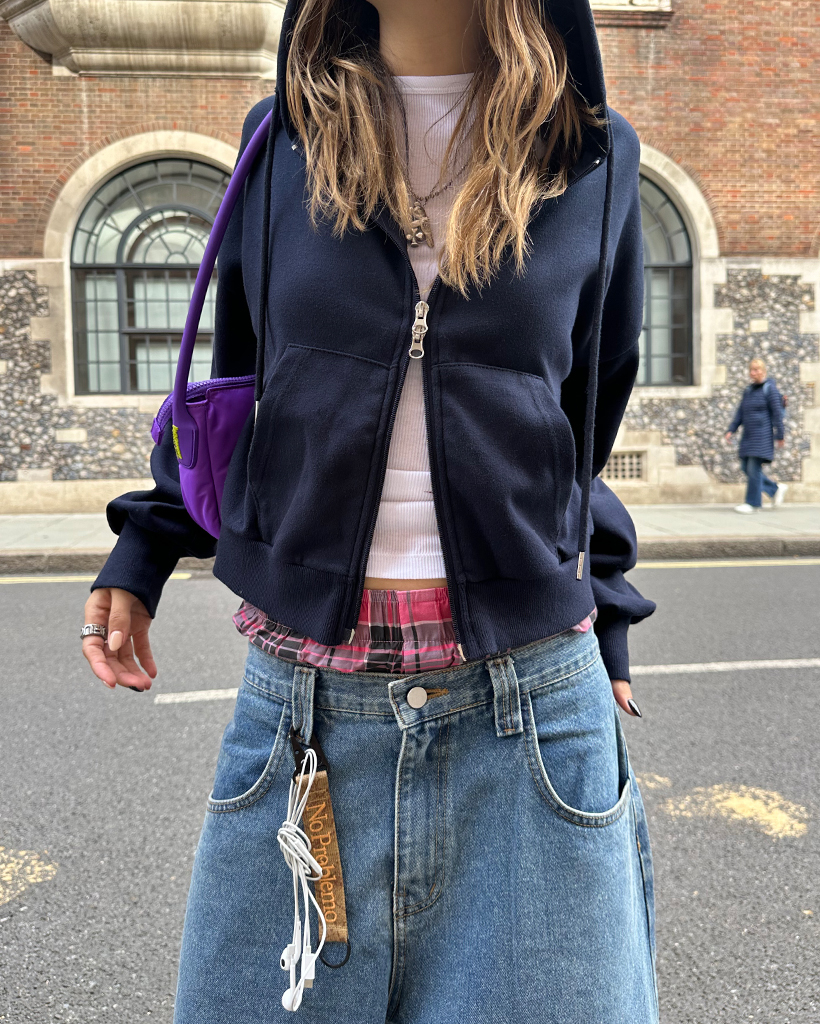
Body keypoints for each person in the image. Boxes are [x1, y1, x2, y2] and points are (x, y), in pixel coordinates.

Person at [80, 1, 658, 1020]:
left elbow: (580, 424)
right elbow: (247, 383)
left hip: (528, 715)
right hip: (305, 713)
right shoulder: (281, 142)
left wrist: (604, 607)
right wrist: (148, 542)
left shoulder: (591, 157)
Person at [725, 356, 787, 513]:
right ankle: (774, 489)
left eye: (756, 370)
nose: (753, 373)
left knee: (753, 468)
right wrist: (731, 429)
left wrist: (780, 435)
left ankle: (753, 504)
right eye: (751, 370)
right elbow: (740, 412)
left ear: (763, 371)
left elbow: (777, 414)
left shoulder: (770, 389)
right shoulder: (748, 390)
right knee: (746, 467)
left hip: (762, 436)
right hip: (748, 435)